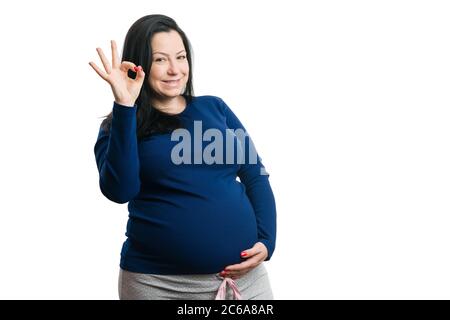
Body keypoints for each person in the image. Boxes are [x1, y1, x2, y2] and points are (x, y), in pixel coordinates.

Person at [89, 14, 277, 300]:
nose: (174, 69)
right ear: (139, 64)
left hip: (245, 282)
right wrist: (125, 106)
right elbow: (119, 191)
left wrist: (267, 240)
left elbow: (255, 174)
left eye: (181, 57)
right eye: (160, 60)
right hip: (159, 285)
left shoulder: (215, 109)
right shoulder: (120, 126)